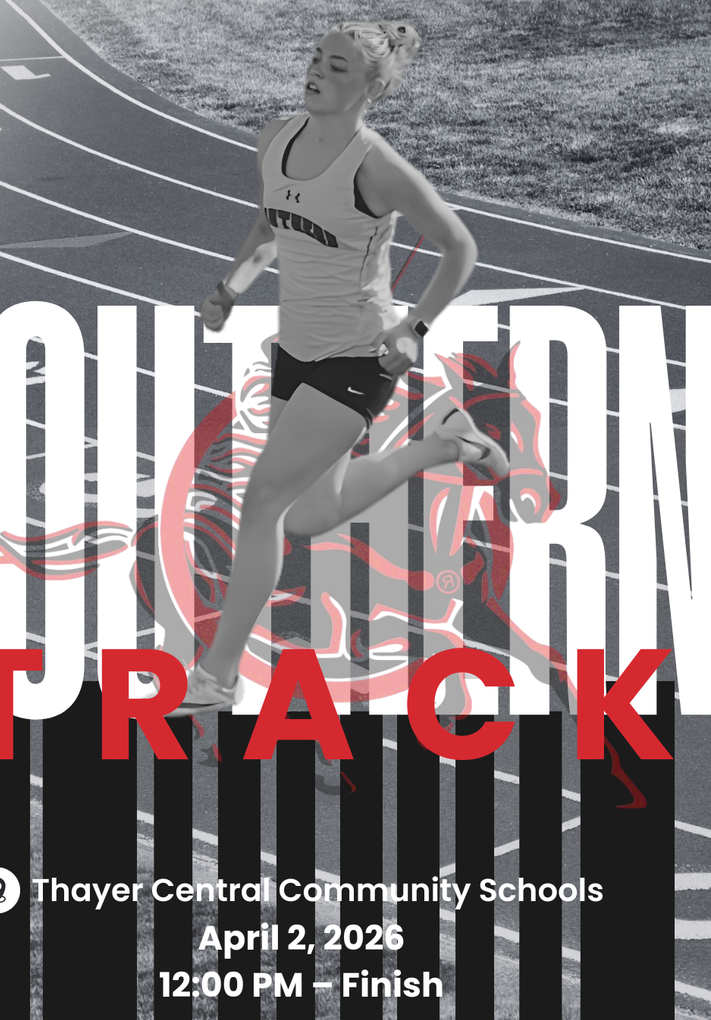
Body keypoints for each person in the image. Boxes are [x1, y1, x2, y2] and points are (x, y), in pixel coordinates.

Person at [164, 20, 509, 716]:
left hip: (359, 354)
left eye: (339, 68)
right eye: (317, 59)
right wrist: (231, 288)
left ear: (372, 88)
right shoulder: (274, 137)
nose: (317, 72)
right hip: (295, 348)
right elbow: (269, 227)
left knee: (261, 505)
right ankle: (448, 444)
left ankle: (216, 678)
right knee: (309, 514)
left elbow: (460, 248)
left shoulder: (375, 166)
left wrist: (413, 328)